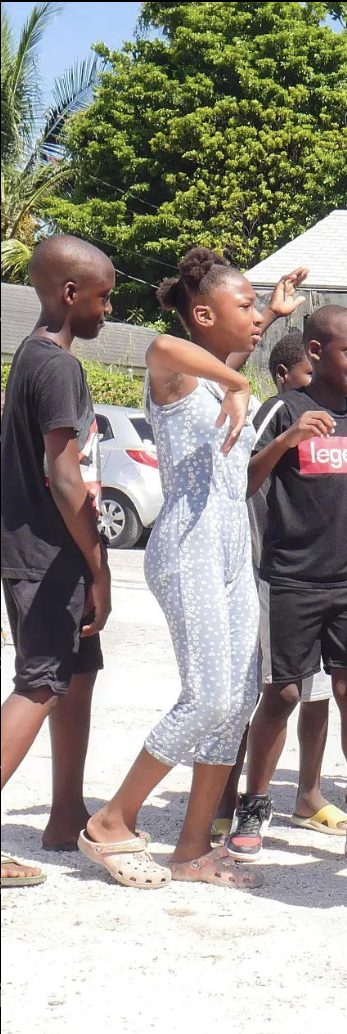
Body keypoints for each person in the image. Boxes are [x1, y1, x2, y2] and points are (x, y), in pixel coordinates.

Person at [79, 247, 260, 888]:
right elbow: (161, 345)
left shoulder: (217, 376)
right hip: (189, 547)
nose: (260, 314)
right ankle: (113, 820)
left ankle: (192, 848)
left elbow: (225, 366)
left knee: (238, 700)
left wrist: (235, 374)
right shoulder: (174, 370)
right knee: (208, 694)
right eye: (248, 306)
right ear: (204, 314)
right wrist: (237, 382)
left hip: (234, 547)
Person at [230, 305, 347, 873]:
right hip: (289, 578)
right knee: (282, 694)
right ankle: (252, 807)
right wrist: (286, 442)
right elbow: (242, 481)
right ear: (314, 352)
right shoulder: (284, 408)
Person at [1, 236, 114, 886]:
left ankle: (65, 813)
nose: (108, 308)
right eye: (103, 298)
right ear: (71, 295)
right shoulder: (59, 367)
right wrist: (98, 565)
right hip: (47, 557)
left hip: (43, 553)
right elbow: (65, 477)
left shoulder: (30, 357)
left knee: (78, 674)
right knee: (42, 683)